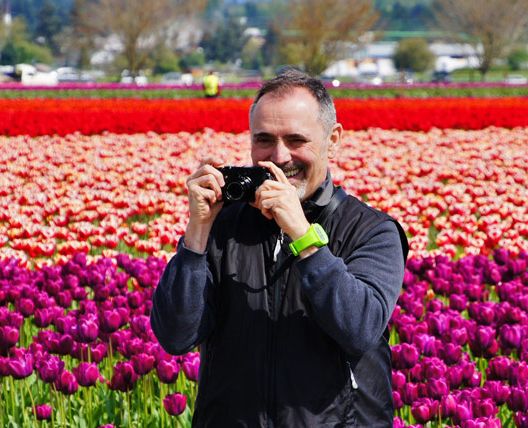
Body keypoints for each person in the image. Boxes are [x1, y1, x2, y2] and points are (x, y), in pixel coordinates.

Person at [151, 69, 409, 427]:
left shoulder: (371, 231)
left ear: (332, 140)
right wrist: (197, 234)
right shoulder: (224, 226)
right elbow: (176, 336)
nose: (279, 155)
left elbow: (359, 327)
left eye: (296, 140)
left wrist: (302, 235)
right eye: (264, 140)